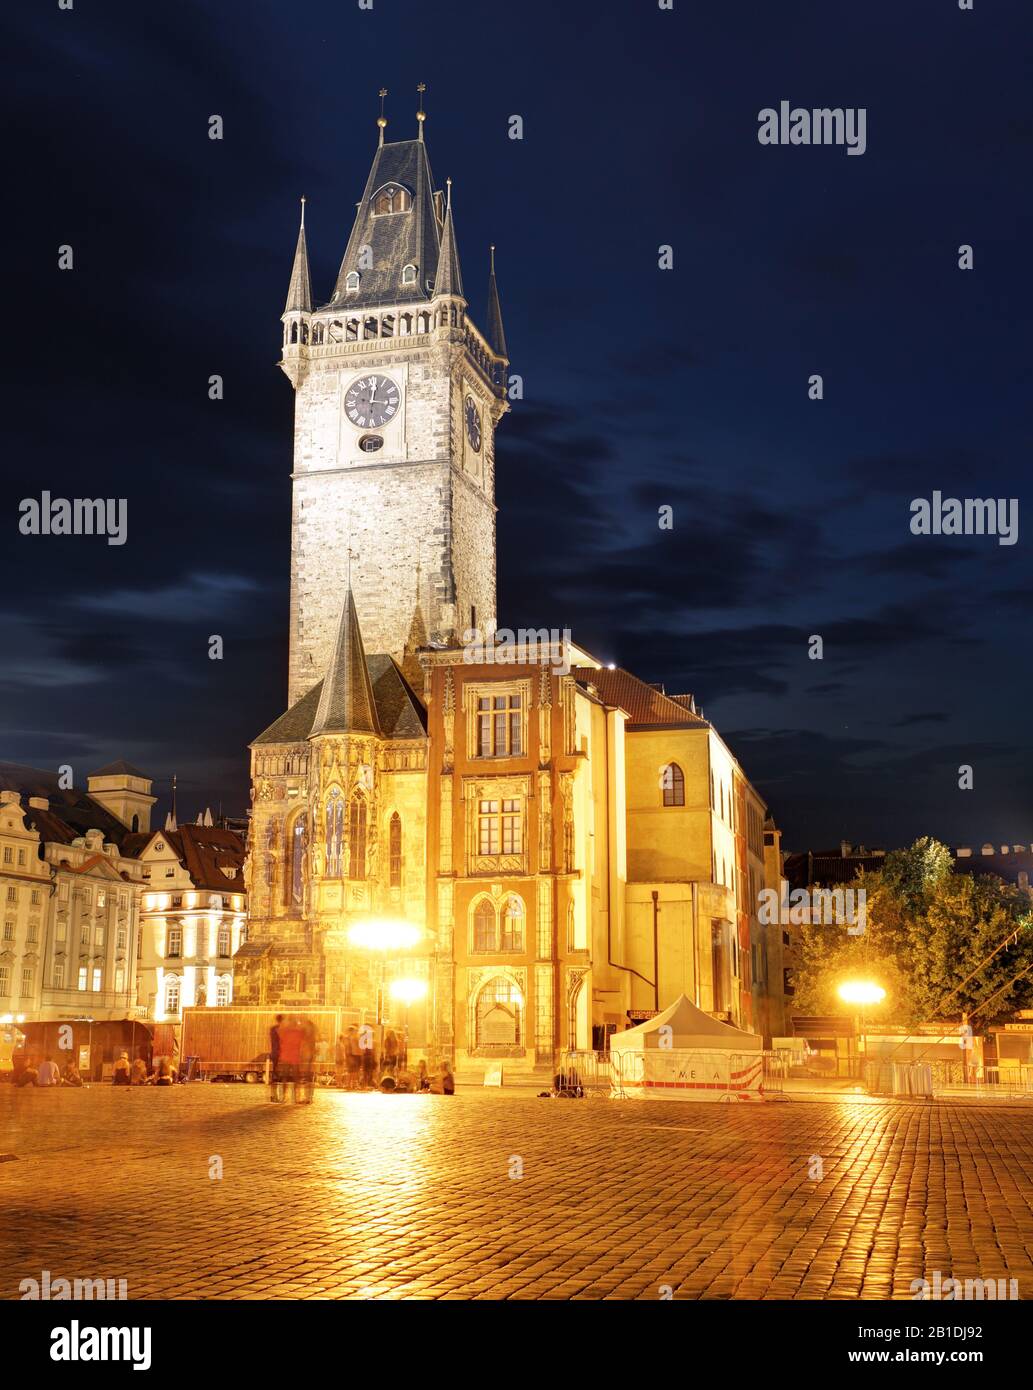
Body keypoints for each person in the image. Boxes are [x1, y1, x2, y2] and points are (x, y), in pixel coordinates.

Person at [277, 1014, 304, 1103]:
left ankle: (284, 1097)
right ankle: (296, 1096)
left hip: (287, 1056)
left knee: (285, 1077)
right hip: (293, 1056)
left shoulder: (285, 1031)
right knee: (296, 1078)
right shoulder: (298, 1031)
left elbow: (280, 1037)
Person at [269, 1013, 284, 1103]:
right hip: (281, 1053)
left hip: (274, 1052)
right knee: (280, 1074)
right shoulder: (282, 1029)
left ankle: (274, 1096)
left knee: (275, 1072)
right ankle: (278, 1096)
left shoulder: (273, 1029)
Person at [345, 1026, 362, 1091]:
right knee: (352, 1071)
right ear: (351, 1031)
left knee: (354, 1071)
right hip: (352, 1055)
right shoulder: (350, 1038)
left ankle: (352, 1084)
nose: (356, 1032)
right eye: (355, 1031)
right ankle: (350, 1084)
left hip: (355, 1055)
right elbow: (349, 1048)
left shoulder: (353, 1038)